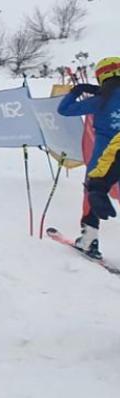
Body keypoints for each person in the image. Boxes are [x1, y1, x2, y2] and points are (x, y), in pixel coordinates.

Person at [57, 56, 120, 258]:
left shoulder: (100, 100)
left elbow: (64, 110)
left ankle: (89, 240)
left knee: (92, 194)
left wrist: (77, 91)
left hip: (102, 157)